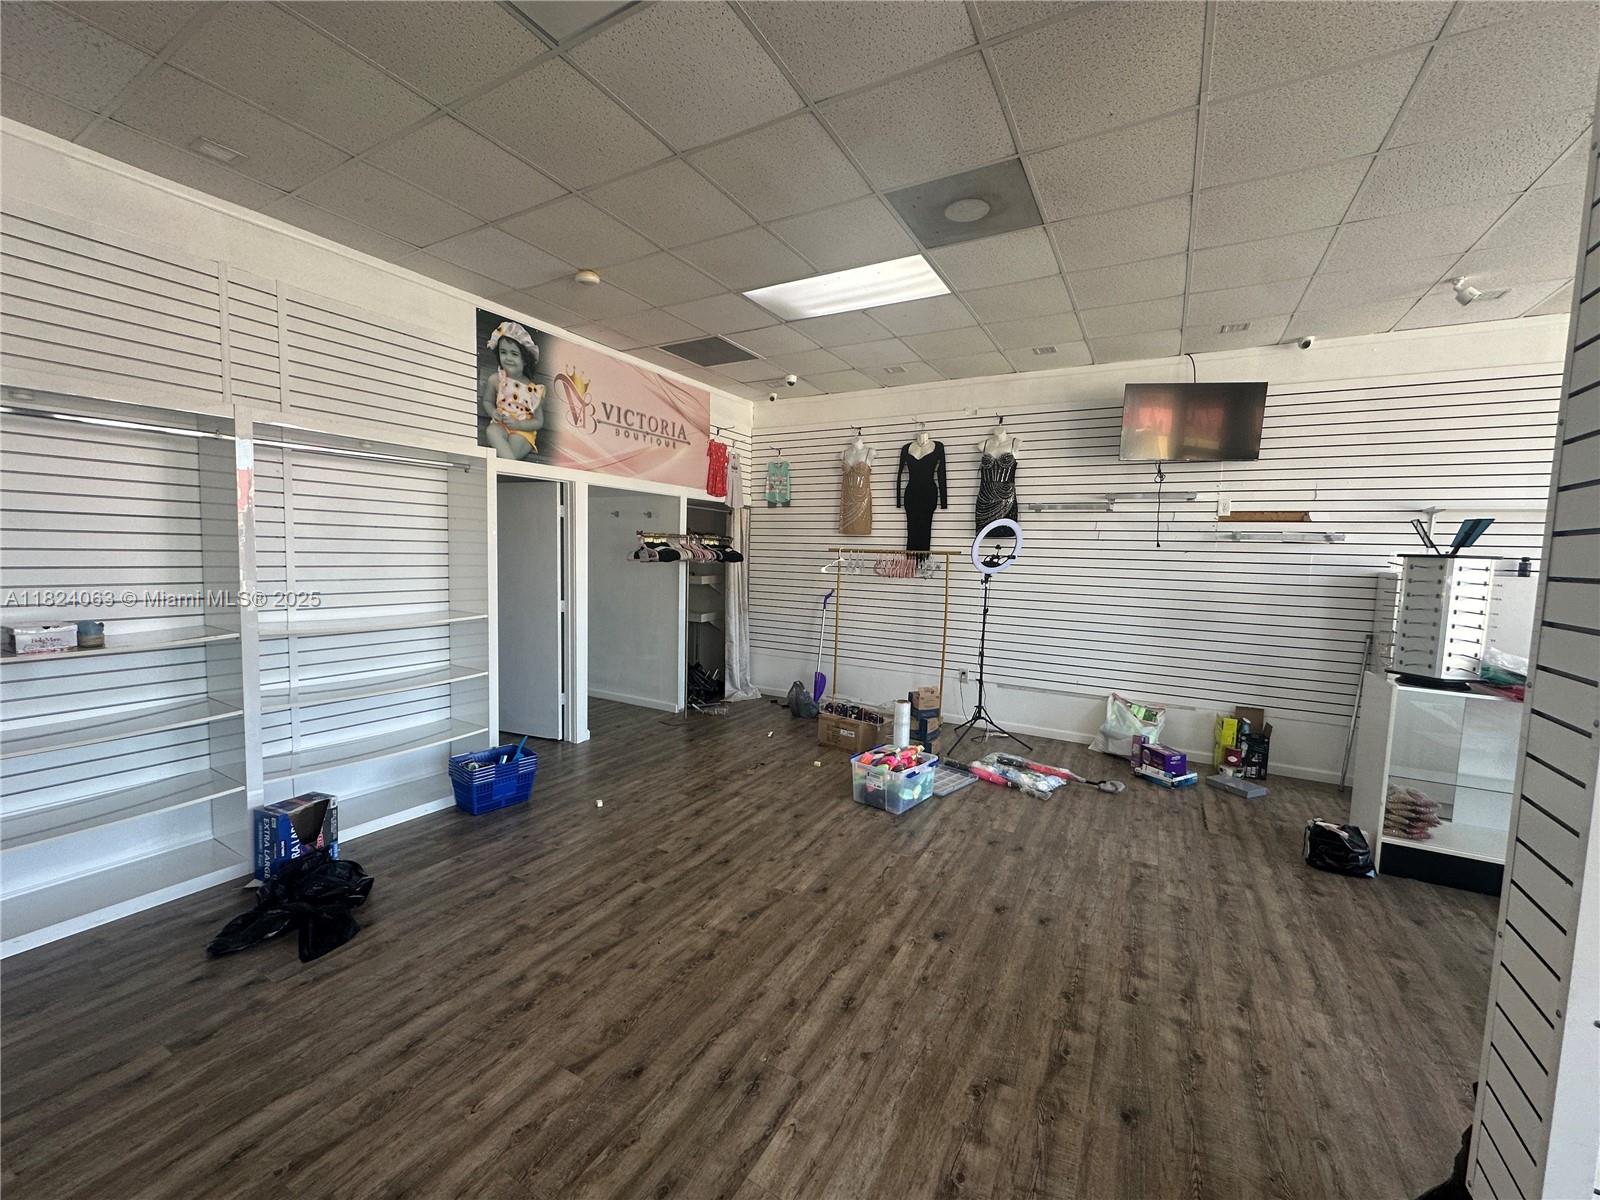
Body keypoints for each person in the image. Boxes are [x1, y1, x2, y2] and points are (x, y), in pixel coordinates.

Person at [480, 321, 544, 460]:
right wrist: (493, 412)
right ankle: (509, 464)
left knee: (515, 441)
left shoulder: (533, 390)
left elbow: (539, 421)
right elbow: (487, 401)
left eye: (514, 354)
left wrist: (519, 424)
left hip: (523, 430)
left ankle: (506, 465)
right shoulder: (496, 380)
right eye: (503, 352)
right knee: (492, 431)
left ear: (525, 359)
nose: (508, 358)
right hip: (502, 425)